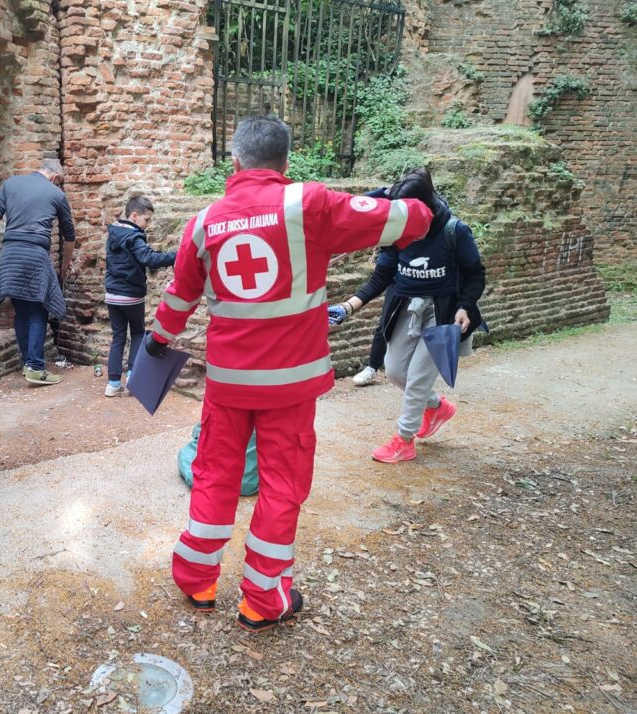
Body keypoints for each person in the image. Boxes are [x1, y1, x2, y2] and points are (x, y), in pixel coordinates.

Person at [147, 116, 434, 633]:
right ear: (287, 161)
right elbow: (406, 222)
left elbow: (178, 299)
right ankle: (263, 599)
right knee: (281, 485)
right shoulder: (309, 205)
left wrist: (158, 341)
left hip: (228, 384)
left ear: (233, 162)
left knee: (215, 475)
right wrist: (419, 199)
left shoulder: (203, 221)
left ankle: (196, 579)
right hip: (290, 385)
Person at [328, 167, 486, 464]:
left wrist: (465, 304)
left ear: (424, 209)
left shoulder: (454, 231)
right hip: (405, 306)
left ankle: (404, 440)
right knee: (396, 370)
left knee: (417, 377)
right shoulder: (399, 229)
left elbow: (475, 273)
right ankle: (436, 406)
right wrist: (347, 307)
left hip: (443, 313)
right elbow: (381, 278)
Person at [0, 159, 76, 386]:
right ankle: (35, 367)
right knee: (38, 311)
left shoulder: (10, 183)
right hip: (35, 255)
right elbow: (69, 236)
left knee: (22, 312)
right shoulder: (56, 194)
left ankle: (28, 362)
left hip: (10, 255)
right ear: (55, 177)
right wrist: (65, 265)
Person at [103, 194, 176, 397]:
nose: (148, 225)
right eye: (146, 220)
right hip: (131, 296)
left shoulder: (114, 233)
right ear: (134, 216)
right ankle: (132, 380)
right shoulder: (134, 236)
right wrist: (177, 255)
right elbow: (149, 258)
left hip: (112, 295)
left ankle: (113, 383)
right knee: (136, 333)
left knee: (118, 337)